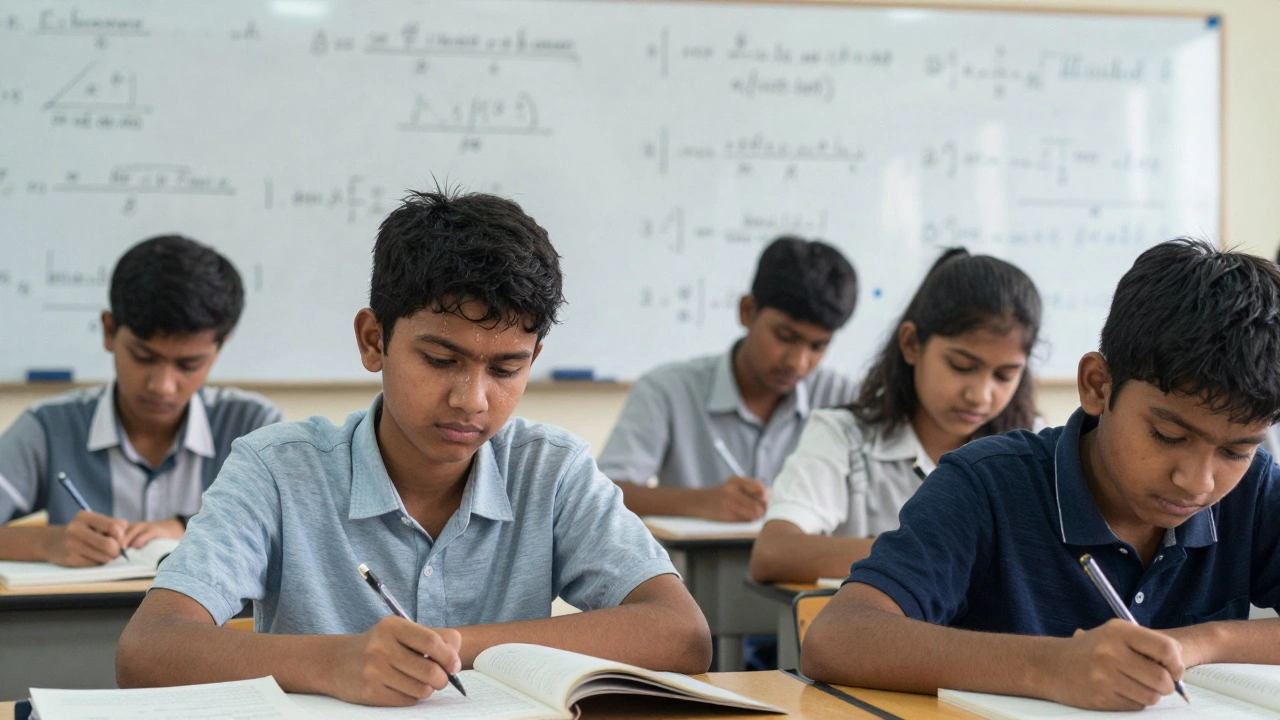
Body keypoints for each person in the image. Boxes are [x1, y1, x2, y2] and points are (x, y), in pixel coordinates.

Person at [116, 188, 711, 706]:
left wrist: (450, 650)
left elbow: (681, 634)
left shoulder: (551, 469)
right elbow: (148, 649)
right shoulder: (278, 469)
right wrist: (334, 663)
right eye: (440, 360)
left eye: (506, 369)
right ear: (374, 341)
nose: (472, 399)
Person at [802, 238, 1280, 711]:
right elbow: (836, 638)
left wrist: (1201, 642)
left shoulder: (1253, 491)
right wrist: (1052, 667)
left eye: (1235, 451)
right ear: (1097, 386)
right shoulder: (986, 484)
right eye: (1167, 435)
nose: (1197, 482)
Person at [750, 248, 1041, 583]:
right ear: (911, 344)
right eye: (961, 366)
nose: (980, 395)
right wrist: (929, 551)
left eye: (1005, 375)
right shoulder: (843, 436)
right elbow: (774, 554)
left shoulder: (1033, 451)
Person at [0, 235, 282, 566]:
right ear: (108, 331)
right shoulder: (48, 429)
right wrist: (49, 543)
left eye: (189, 365)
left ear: (219, 348)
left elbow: (296, 538)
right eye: (143, 356)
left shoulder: (254, 426)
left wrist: (189, 526)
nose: (162, 386)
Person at [599, 236, 859, 522]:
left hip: (807, 568)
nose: (797, 363)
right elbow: (603, 493)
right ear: (747, 311)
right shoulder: (667, 390)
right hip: (691, 567)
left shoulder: (843, 400)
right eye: (785, 337)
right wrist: (701, 502)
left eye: (817, 347)